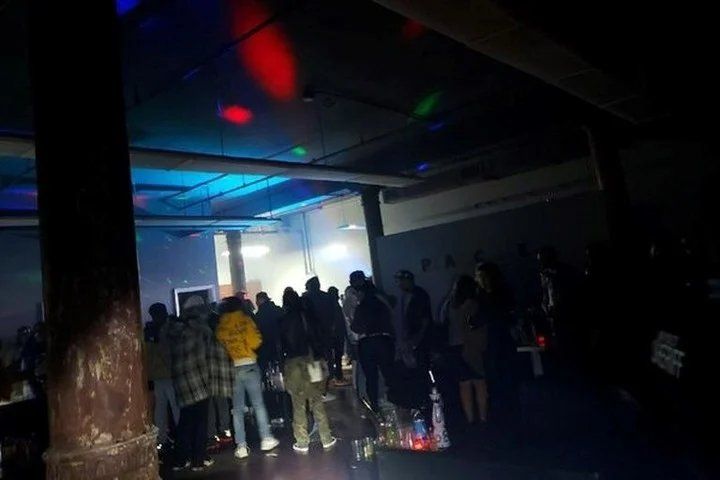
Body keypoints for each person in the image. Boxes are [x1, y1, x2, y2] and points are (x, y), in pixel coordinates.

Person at [216, 296, 279, 460]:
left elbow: (220, 347)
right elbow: (256, 341)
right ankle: (266, 439)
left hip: (232, 368)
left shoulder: (221, 325)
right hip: (249, 365)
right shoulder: (246, 320)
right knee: (258, 405)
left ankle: (241, 446)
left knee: (237, 410)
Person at [279, 288, 337, 453]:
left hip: (294, 365)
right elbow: (319, 338)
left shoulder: (282, 320)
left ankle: (302, 442)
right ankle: (326, 438)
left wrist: (282, 367)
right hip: (312, 363)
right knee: (317, 400)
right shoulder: (308, 316)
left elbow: (280, 346)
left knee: (298, 404)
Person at [169, 296, 219, 472]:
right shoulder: (202, 330)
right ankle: (198, 460)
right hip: (200, 382)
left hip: (181, 383)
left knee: (185, 422)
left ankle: (180, 460)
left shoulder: (174, 331)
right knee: (200, 422)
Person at [475, 262, 520, 424]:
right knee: (495, 375)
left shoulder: (499, 294)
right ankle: (502, 409)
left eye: (481, 276)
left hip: (501, 338)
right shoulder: (480, 296)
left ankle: (509, 408)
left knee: (504, 372)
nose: (479, 279)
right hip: (491, 340)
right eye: (478, 277)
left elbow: (508, 315)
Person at [448, 276, 489, 424]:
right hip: (470, 347)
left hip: (455, 347)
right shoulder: (472, 305)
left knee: (464, 384)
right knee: (479, 382)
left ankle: (470, 419)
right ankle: (483, 417)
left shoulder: (450, 305)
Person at [351, 281, 396, 411]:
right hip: (384, 340)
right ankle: (394, 400)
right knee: (389, 373)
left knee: (371, 377)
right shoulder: (382, 304)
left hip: (367, 343)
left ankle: (375, 405)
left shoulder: (361, 307)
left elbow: (356, 327)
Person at [145, 303, 180, 452]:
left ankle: (161, 439)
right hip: (170, 374)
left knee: (160, 409)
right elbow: (169, 352)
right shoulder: (167, 329)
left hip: (156, 375)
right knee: (176, 407)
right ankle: (181, 436)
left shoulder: (147, 331)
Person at [255, 291, 286, 424]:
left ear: (259, 301)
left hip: (264, 353)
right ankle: (286, 409)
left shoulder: (258, 316)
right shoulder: (278, 311)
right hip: (280, 351)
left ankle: (274, 411)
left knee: (268, 384)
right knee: (283, 382)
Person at [395, 270, 433, 369]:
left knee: (422, 364)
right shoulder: (404, 296)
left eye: (401, 281)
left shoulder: (419, 295)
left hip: (420, 337)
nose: (399, 284)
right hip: (411, 336)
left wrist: (419, 335)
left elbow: (425, 317)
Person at [302, 277, 337, 379]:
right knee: (328, 354)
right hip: (326, 330)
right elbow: (333, 314)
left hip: (312, 333)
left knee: (315, 357)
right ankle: (330, 374)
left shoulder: (305, 298)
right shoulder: (327, 297)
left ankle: (318, 379)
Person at [327, 286, 350, 386]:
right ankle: (338, 376)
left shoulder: (328, 306)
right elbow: (341, 322)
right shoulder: (336, 306)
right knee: (337, 357)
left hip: (331, 336)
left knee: (331, 358)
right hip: (337, 335)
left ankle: (333, 376)